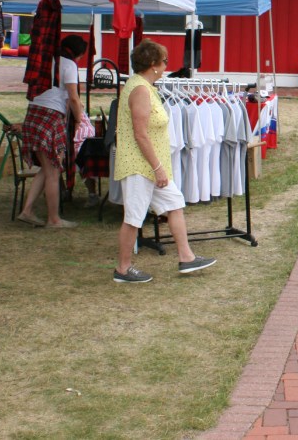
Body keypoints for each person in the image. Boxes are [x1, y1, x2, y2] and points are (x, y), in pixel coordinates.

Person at [113, 39, 216, 283]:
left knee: (175, 203)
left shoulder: (146, 87)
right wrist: (157, 167)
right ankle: (123, 269)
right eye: (164, 61)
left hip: (152, 165)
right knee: (134, 217)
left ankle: (186, 257)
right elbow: (140, 134)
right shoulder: (139, 89)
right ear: (153, 64)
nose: (167, 65)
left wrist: (159, 167)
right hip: (140, 166)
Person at [16, 34, 88, 228]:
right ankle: (54, 219)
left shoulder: (46, 60)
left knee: (47, 169)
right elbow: (73, 98)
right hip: (51, 118)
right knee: (54, 171)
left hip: (33, 115)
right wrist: (79, 119)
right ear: (77, 53)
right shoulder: (69, 65)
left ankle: (27, 210)